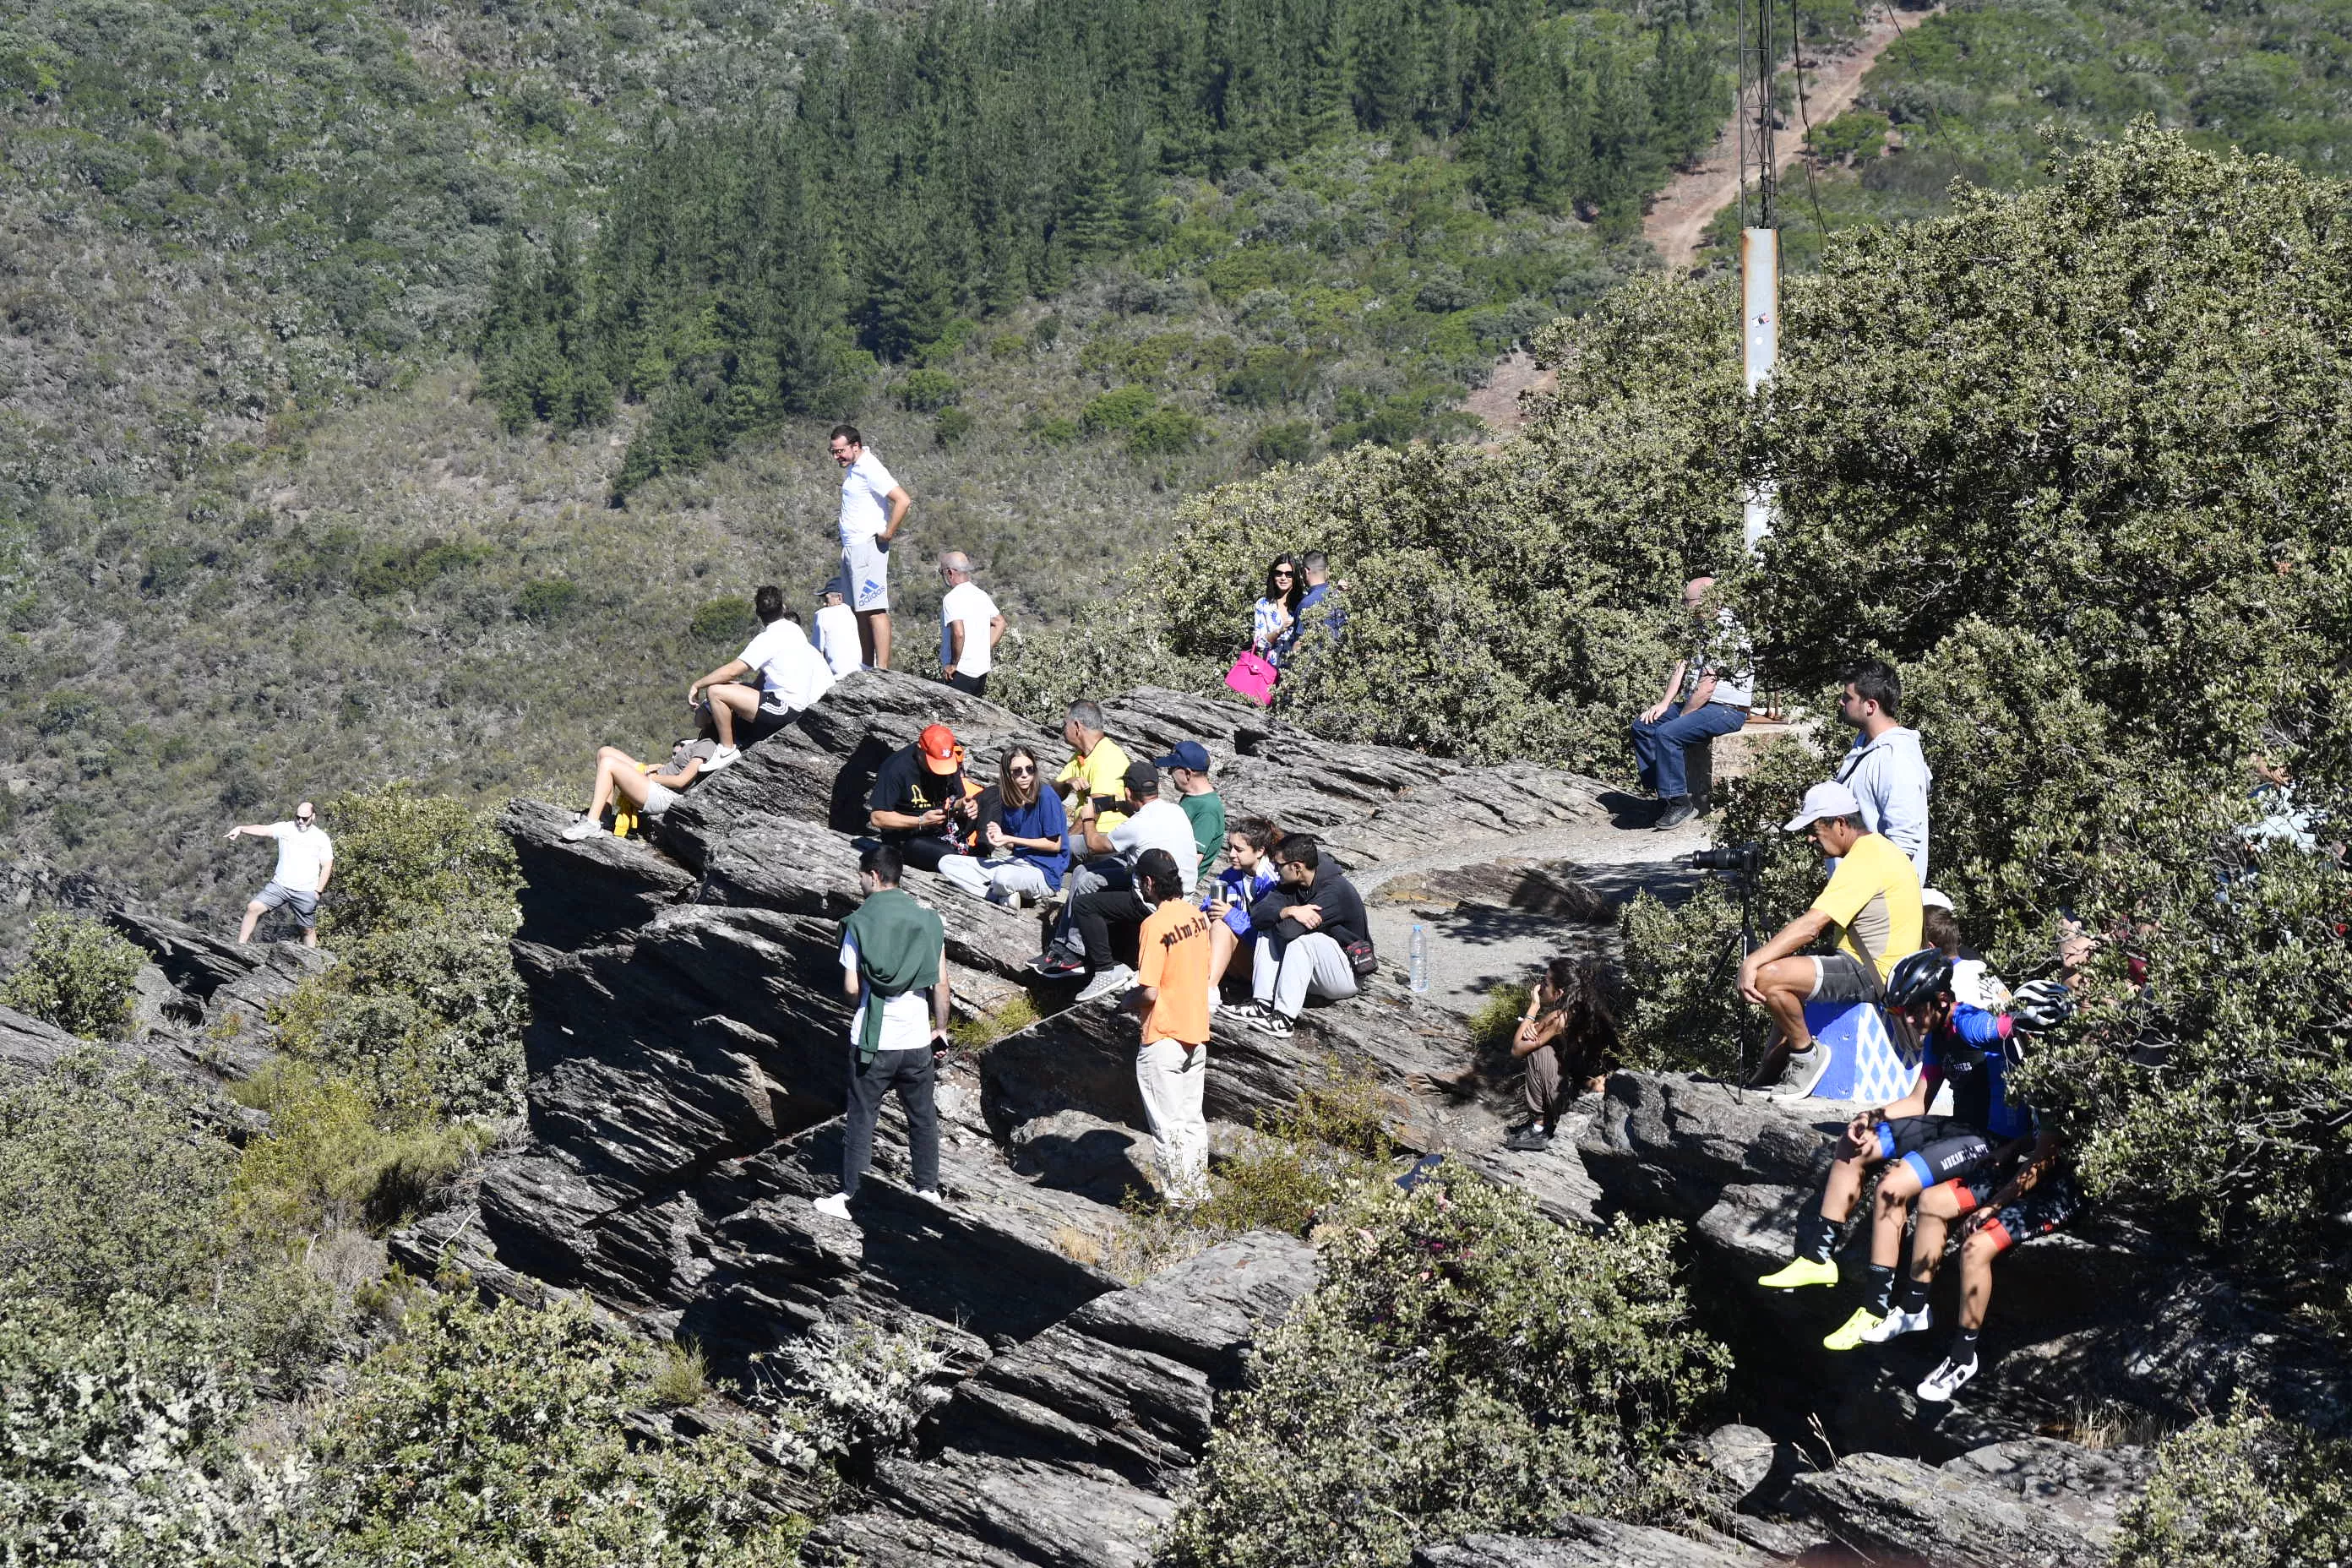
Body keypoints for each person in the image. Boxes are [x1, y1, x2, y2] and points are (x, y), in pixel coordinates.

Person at [1757, 950, 2072, 1348]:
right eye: (1900, 1011)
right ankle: (1818, 1258)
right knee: (1857, 1144)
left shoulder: (1966, 1024)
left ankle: (1873, 1309)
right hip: (1957, 1127)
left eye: (1911, 1010)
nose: (1906, 1020)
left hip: (1988, 1141)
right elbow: (1919, 1101)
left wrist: (2032, 1018)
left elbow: (2005, 1027)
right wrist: (1870, 1116)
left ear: (1941, 1000)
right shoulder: (1938, 1036)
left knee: (1893, 1187)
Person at [1737, 781, 1923, 1096]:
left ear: (1840, 824)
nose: (1810, 839)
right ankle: (1767, 1074)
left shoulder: (1865, 858)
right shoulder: (1880, 850)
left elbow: (1812, 925)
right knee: (1785, 982)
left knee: (1767, 978)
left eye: (1814, 830)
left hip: (1873, 973)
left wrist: (1752, 961)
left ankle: (1807, 1057)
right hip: (1882, 967)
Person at [1899, 1122, 2081, 1404]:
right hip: (2032, 1168)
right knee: (1932, 1200)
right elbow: (2044, 1136)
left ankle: (1962, 1358)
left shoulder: (2062, 1086)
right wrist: (2015, 1146)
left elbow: (2044, 1157)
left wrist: (1993, 1206)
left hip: (2063, 1186)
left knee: (1975, 1248)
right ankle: (1913, 1309)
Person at [814, 845, 946, 1220]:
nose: (859, 882)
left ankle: (852, 1197)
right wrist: (940, 1029)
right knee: (922, 1116)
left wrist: (861, 1005)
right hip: (917, 1039)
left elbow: (854, 989)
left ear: (873, 875)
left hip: (874, 1039)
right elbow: (941, 984)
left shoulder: (858, 923)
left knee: (862, 1116)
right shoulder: (929, 919)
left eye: (860, 875)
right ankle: (927, 1190)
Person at [1057, 760, 1201, 1000]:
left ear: (1128, 791)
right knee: (1094, 877)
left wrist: (1089, 819)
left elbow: (1094, 845)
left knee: (1086, 905)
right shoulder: (1176, 811)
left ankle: (1106, 969)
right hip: (1183, 895)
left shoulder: (1137, 824)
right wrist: (1115, 805)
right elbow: (1141, 812)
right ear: (1156, 787)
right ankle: (1077, 951)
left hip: (1151, 901)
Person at [1124, 847, 1214, 1206]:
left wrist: (1125, 1002)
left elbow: (1148, 991)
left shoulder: (1154, 925)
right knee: (1192, 1120)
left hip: (1161, 1035)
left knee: (1168, 1126)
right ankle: (1200, 1194)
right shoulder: (1197, 917)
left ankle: (1180, 1202)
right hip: (1196, 1031)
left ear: (1149, 883)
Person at [1632, 576, 1753, 831]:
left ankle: (1680, 801)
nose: (1684, 606)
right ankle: (1663, 796)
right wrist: (1665, 704)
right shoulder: (1699, 626)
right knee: (1643, 726)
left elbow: (1708, 685)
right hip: (1698, 703)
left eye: (1688, 601)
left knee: (1667, 734)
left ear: (1706, 601)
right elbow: (1682, 665)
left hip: (1725, 709)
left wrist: (1682, 718)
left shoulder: (1727, 629)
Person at [1234, 834, 1370, 1040]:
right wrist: (1288, 911)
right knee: (1268, 926)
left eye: (1278, 865)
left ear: (1297, 867)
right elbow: (1258, 915)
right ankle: (1261, 1003)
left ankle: (1283, 1019)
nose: (1275, 870)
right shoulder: (1292, 884)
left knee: (1305, 942)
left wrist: (1285, 914)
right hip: (1311, 970)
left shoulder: (1335, 891)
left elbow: (1289, 933)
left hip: (1347, 973)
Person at [686, 585, 836, 759]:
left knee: (715, 691)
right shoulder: (795, 630)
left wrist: (698, 684)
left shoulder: (767, 638)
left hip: (785, 708)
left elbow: (733, 670)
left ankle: (726, 750)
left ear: (759, 615)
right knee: (733, 689)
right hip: (794, 705)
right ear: (784, 607)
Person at [1504, 956, 1619, 1152]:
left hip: (1579, 1104)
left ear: (1559, 993)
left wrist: (1534, 1007)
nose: (1541, 986)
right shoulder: (1590, 1010)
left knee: (1538, 1053)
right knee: (1545, 1048)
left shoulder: (1560, 1018)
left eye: (1546, 983)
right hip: (1595, 1096)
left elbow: (1517, 1049)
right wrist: (1537, 1029)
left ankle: (1539, 1128)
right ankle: (1542, 1124)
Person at [1832, 660, 1932, 883]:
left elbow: (1902, 844)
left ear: (1870, 706)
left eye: (1848, 698)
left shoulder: (1896, 758)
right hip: (1858, 902)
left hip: (1880, 908)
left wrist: (1870, 898)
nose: (1841, 702)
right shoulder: (1865, 743)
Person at [938, 747, 1068, 905]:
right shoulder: (1009, 799)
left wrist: (1009, 838)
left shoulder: (1045, 795)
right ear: (1008, 774)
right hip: (1015, 863)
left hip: (1043, 872)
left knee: (1002, 877)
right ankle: (1001, 896)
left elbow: (1055, 844)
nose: (1025, 775)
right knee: (947, 863)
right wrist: (1001, 839)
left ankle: (998, 892)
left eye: (1030, 769)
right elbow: (1014, 844)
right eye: (1017, 771)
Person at [830, 424, 912, 671]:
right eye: (833, 452)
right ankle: (867, 665)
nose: (837, 456)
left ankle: (882, 668)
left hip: (867, 547)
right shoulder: (855, 468)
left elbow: (903, 500)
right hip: (852, 548)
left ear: (855, 446)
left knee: (874, 608)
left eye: (841, 451)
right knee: (859, 610)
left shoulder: (870, 467)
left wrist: (888, 533)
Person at [561, 734, 721, 841]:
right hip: (656, 780)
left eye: (703, 707)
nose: (697, 708)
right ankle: (603, 815)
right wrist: (655, 768)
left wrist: (652, 777)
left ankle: (592, 824)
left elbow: (682, 781)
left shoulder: (707, 745)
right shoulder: (699, 741)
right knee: (605, 752)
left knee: (608, 764)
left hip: (664, 795)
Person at [868, 722, 980, 874]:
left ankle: (982, 854)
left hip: (945, 826)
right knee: (948, 857)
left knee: (993, 796)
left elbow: (957, 799)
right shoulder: (896, 768)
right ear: (920, 750)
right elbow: (877, 817)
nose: (939, 771)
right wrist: (921, 821)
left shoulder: (949, 763)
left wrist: (964, 805)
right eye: (934, 764)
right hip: (909, 838)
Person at [226, 803, 334, 947]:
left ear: (313, 817)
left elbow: (327, 866)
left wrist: (317, 892)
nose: (300, 821)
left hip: (305, 891)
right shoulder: (286, 828)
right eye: (298, 817)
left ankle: (311, 961)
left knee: (307, 929)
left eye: (305, 818)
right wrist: (241, 829)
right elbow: (263, 830)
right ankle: (239, 946)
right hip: (280, 886)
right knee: (253, 908)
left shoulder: (321, 838)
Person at [1202, 815, 1280, 1013]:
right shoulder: (1231, 875)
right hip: (1240, 955)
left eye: (1239, 849)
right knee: (1204, 919)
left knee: (1220, 924)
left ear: (1260, 851)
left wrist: (1230, 914)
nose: (1231, 854)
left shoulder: (1272, 881)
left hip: (1265, 960)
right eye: (1230, 847)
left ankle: (1209, 989)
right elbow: (1206, 907)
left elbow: (1266, 932)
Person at [1054, 700, 1132, 832]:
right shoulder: (1080, 757)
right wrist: (1067, 783)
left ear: (1077, 726)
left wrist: (1065, 843)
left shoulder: (1108, 756)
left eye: (1065, 724)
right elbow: (1051, 794)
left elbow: (1097, 807)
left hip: (1107, 835)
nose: (1063, 729)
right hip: (1088, 833)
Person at [935, 552, 1006, 696]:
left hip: (960, 672)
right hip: (980, 671)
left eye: (942, 572)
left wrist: (953, 664)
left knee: (953, 717)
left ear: (950, 573)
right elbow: (1000, 623)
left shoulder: (951, 598)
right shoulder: (981, 595)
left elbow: (959, 633)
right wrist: (983, 649)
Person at [1157, 742, 1226, 884]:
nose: (1169, 773)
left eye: (1172, 768)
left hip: (1168, 889)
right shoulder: (1192, 797)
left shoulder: (1208, 810)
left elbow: (1189, 863)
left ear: (1188, 773)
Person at [1250, 555, 1302, 667]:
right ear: (1273, 576)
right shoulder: (1263, 604)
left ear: (1295, 577)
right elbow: (1259, 642)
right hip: (1269, 670)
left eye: (1289, 574)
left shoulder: (1303, 602)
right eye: (1279, 573)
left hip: (1299, 669)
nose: (1283, 578)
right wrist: (1278, 632)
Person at [1294, 552, 1346, 647]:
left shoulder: (1306, 604)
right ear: (1326, 571)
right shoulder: (1341, 597)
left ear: (1306, 571)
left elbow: (1299, 644)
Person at [814, 578, 862, 678]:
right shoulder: (860, 614)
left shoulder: (821, 614)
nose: (824, 604)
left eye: (827, 599)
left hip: (839, 679)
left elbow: (818, 653)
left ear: (840, 598)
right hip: (866, 673)